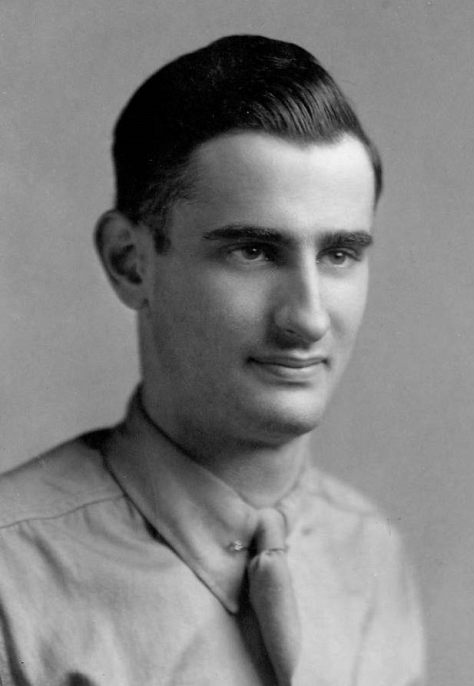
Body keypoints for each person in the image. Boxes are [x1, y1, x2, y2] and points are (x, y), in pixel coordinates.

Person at [0, 35, 425, 685]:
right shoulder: (13, 577)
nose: (309, 318)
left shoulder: (373, 555)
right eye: (252, 251)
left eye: (339, 254)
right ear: (130, 262)